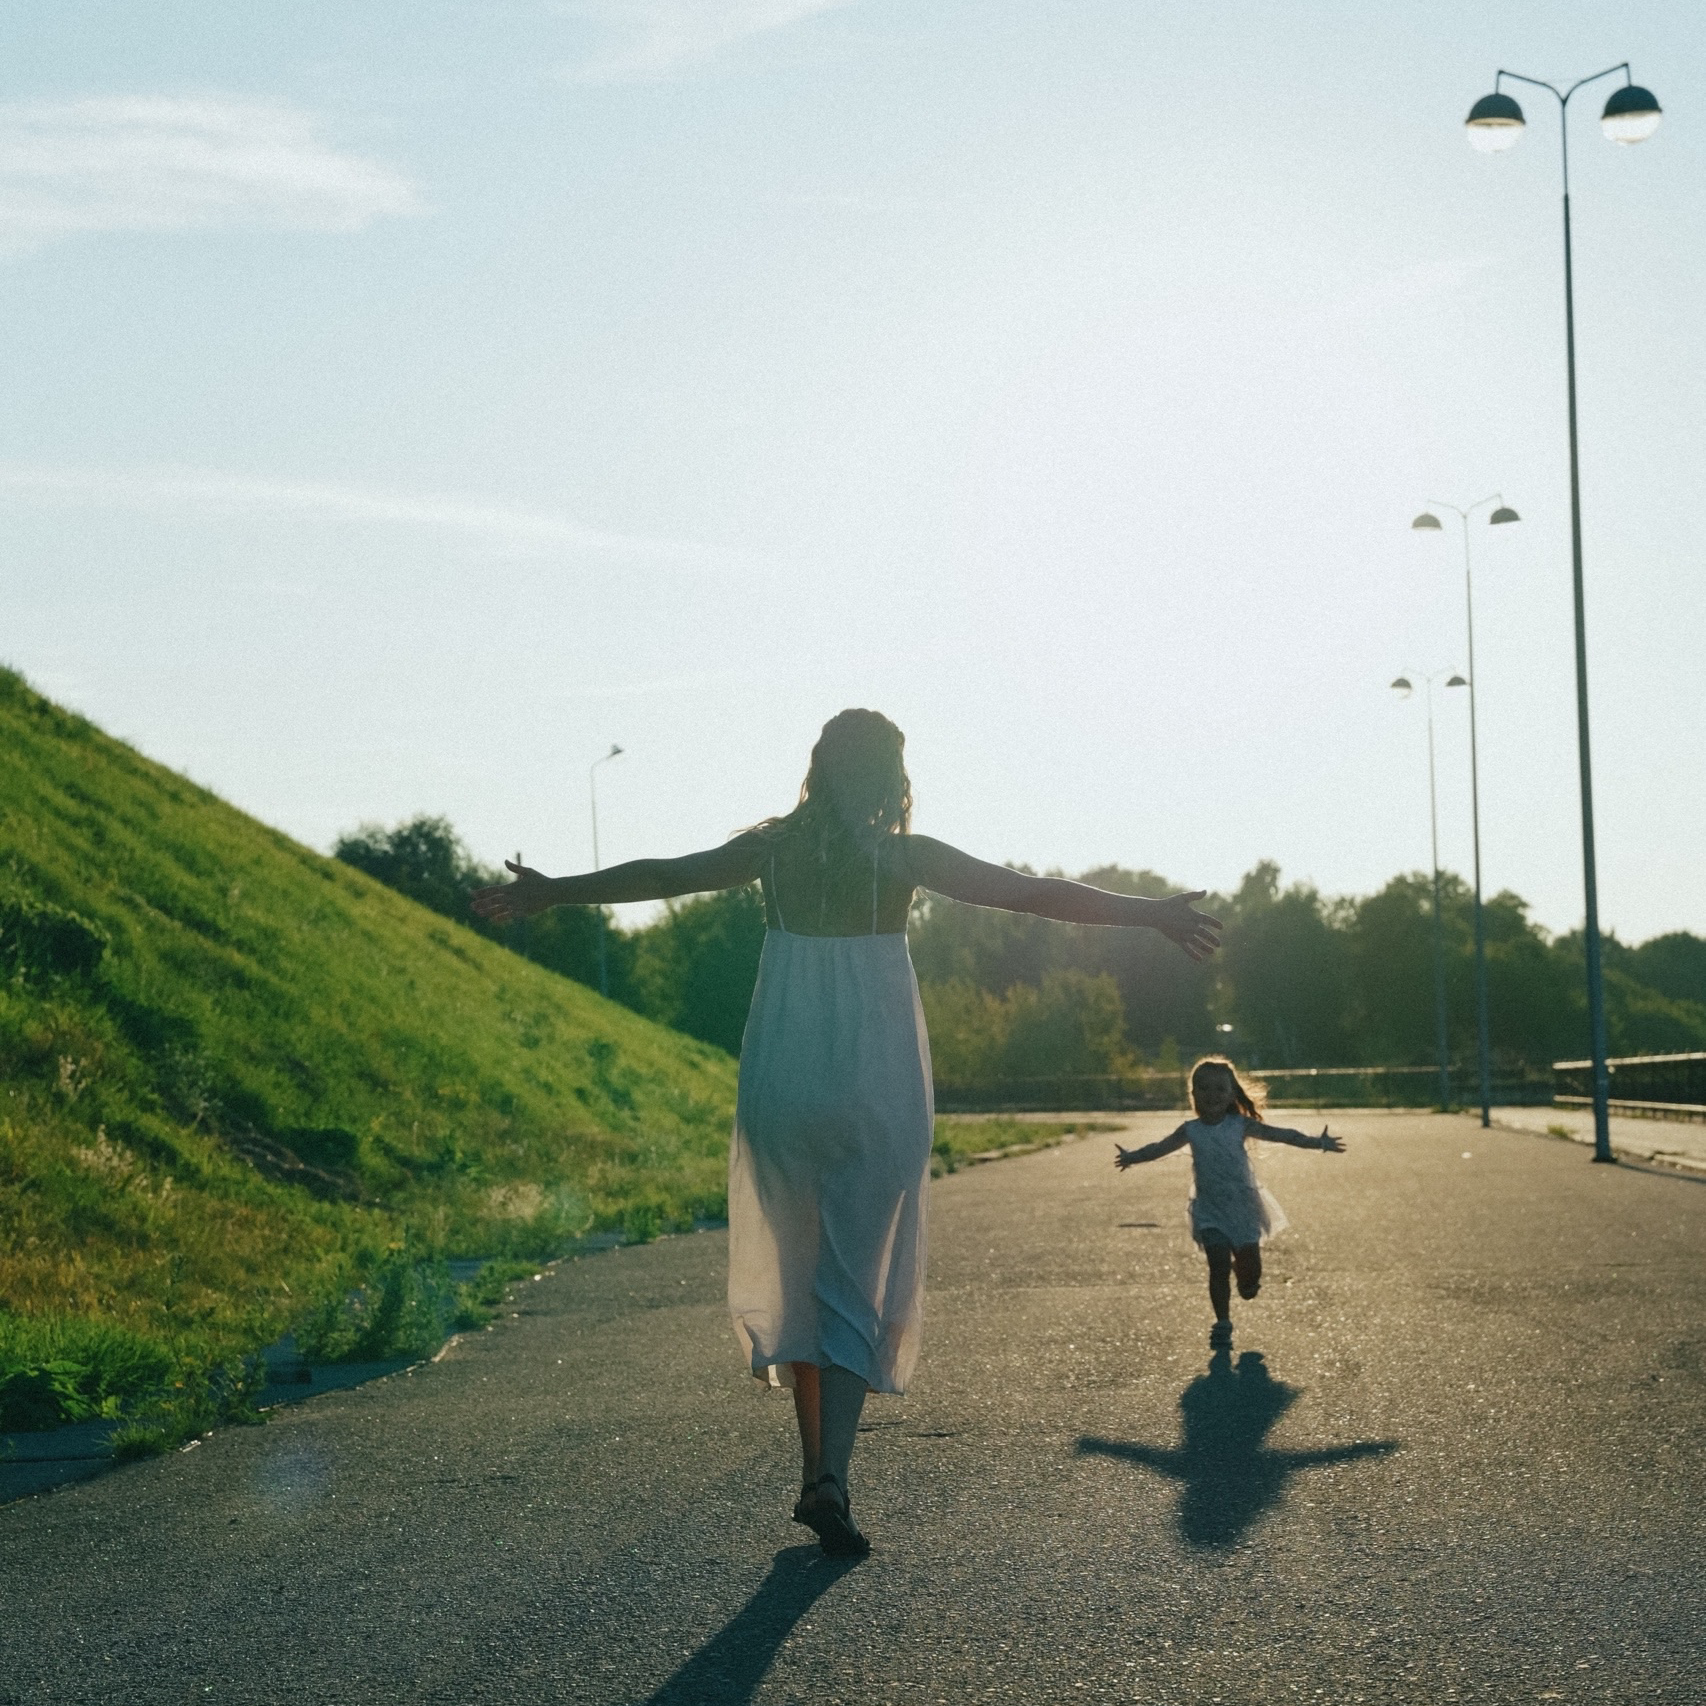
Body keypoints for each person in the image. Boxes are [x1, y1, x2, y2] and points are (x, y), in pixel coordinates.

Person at [473, 708, 1220, 1556]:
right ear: (890, 775)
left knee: (799, 1270)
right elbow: (1032, 893)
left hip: (785, 1074)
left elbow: (664, 875)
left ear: (820, 768)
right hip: (876, 1077)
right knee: (855, 1276)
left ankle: (812, 1471)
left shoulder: (772, 849)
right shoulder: (903, 858)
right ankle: (833, 1475)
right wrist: (1150, 911)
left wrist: (550, 891)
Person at [1115, 1056, 1344, 1347]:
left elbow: (1282, 1135)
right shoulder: (1191, 1130)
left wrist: (1317, 1142)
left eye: (1219, 1090)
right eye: (1204, 1088)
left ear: (1231, 1095)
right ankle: (1222, 1322)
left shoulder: (1239, 1125)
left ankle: (1245, 1276)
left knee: (1250, 1283)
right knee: (1217, 1266)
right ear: (1193, 1094)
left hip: (1243, 1208)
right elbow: (1160, 1148)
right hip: (1209, 1210)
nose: (1212, 1095)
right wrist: (1132, 1157)